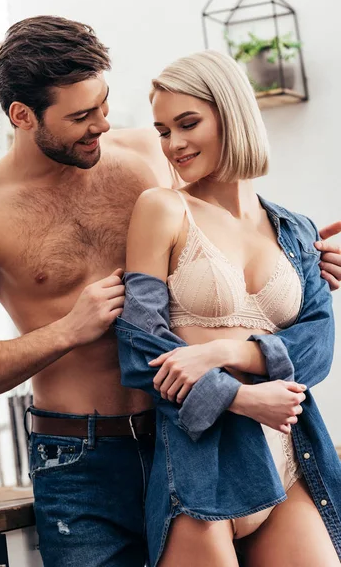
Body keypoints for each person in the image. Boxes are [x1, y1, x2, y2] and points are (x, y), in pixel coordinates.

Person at [0, 17, 339, 567]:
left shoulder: (147, 159)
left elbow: (225, 231)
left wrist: (308, 258)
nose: (103, 125)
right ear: (22, 116)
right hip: (85, 459)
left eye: (103, 104)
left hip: (198, 437)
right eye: (81, 116)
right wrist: (66, 332)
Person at [117, 49, 341, 567]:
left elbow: (318, 349)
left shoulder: (296, 230)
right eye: (163, 130)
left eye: (188, 123)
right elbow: (139, 347)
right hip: (204, 463)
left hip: (291, 457)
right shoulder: (162, 209)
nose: (173, 144)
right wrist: (241, 399)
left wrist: (220, 351)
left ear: (232, 113)